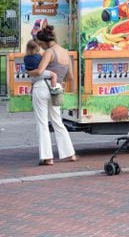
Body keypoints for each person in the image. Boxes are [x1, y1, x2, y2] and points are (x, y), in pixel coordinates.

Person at [27, 26, 77, 165]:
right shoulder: (66, 53)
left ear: (45, 42)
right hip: (57, 88)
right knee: (58, 121)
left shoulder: (49, 52)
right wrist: (59, 83)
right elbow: (71, 76)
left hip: (42, 87)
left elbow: (39, 71)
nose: (41, 47)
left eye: (41, 44)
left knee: (42, 122)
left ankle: (47, 157)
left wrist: (29, 72)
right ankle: (69, 153)